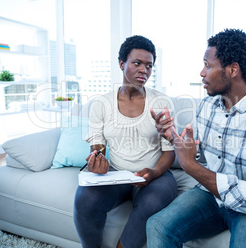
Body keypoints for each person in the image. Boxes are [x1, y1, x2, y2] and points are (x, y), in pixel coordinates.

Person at [148, 29, 246, 248]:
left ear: (233, 70)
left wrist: (191, 167)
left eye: (208, 66)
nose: (201, 72)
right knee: (157, 226)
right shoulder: (208, 106)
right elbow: (197, 152)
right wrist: (173, 138)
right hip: (209, 196)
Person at [73, 35, 178, 248]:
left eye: (149, 66)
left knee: (155, 200)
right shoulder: (102, 103)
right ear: (122, 64)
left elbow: (170, 151)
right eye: (137, 63)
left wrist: (154, 172)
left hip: (155, 174)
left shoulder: (162, 102)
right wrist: (98, 159)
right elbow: (97, 146)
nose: (144, 70)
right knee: (85, 198)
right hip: (117, 173)